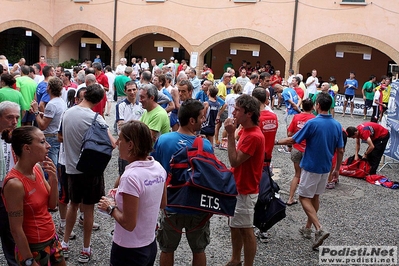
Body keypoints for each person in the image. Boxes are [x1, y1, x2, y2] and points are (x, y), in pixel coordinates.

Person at [276, 93, 344, 249]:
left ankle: (319, 228)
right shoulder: (336, 125)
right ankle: (307, 228)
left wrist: (274, 141)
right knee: (315, 197)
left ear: (318, 105)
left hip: (311, 165)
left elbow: (293, 139)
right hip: (326, 167)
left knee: (304, 198)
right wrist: (337, 169)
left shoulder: (313, 123)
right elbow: (340, 150)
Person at [153, 99, 213, 266]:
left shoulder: (163, 141)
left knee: (167, 248)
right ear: (192, 120)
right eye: (201, 117)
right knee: (199, 249)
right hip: (197, 205)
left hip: (171, 203)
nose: (203, 120)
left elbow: (156, 170)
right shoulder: (205, 145)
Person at [98, 120, 166, 266]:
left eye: (120, 139)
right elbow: (163, 203)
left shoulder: (131, 177)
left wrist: (109, 208)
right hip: (149, 243)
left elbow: (129, 224)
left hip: (128, 249)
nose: (116, 143)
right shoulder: (159, 168)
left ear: (130, 145)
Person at [61, 84, 116, 263]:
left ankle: (65, 243)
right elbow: (112, 143)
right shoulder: (96, 118)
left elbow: (60, 136)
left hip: (71, 167)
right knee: (89, 208)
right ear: (99, 100)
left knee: (73, 205)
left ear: (84, 95)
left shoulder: (67, 113)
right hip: (91, 169)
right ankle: (86, 248)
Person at [2, 126, 66, 266]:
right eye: (42, 142)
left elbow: (52, 205)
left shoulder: (37, 168)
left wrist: (54, 181)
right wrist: (29, 260)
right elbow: (15, 228)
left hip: (51, 238)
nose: (48, 146)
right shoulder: (15, 184)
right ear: (27, 148)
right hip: (34, 247)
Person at [224, 94, 265, 266]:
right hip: (239, 185)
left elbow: (234, 160)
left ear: (249, 113)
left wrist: (231, 135)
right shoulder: (247, 131)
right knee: (235, 225)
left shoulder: (253, 136)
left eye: (238, 109)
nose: (233, 112)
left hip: (246, 189)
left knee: (247, 230)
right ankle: (235, 259)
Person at [31, 77, 67, 173]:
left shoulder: (52, 104)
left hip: (51, 137)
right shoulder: (61, 102)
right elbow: (55, 118)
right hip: (57, 135)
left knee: (49, 167)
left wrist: (35, 112)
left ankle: (52, 187)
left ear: (49, 87)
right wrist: (40, 114)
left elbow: (43, 126)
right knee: (55, 166)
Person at [0, 101, 20, 266]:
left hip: (9, 193)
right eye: (9, 117)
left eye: (17, 118)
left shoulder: (16, 137)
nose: (14, 121)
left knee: (10, 233)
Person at [285, 99, 315, 205]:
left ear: (302, 106)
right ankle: (306, 198)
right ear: (313, 107)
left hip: (296, 148)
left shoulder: (296, 117)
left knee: (297, 174)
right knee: (307, 175)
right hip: (308, 150)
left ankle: (290, 198)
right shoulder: (314, 119)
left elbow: (289, 133)